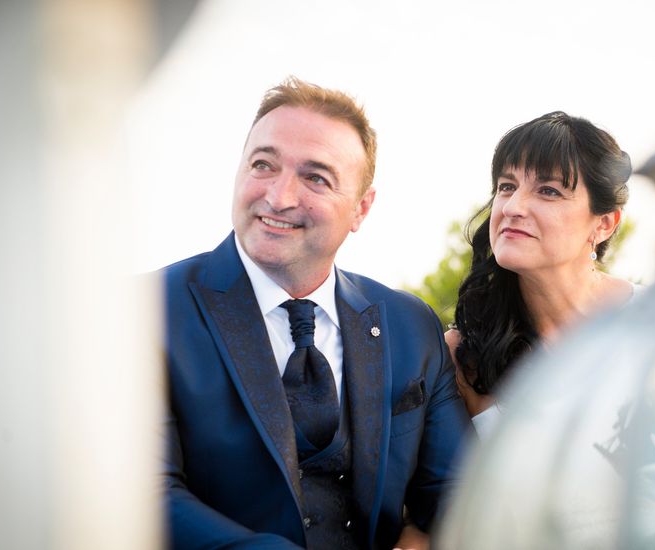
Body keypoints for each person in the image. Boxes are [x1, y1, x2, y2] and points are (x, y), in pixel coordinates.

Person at [161, 77, 469, 549]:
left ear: (361, 209)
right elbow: (142, 495)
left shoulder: (411, 326)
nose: (279, 197)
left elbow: (458, 496)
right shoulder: (142, 312)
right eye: (263, 164)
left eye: (315, 178)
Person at [446, 111, 634, 436]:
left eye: (548, 191)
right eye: (506, 186)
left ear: (604, 224)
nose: (512, 207)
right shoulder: (461, 354)